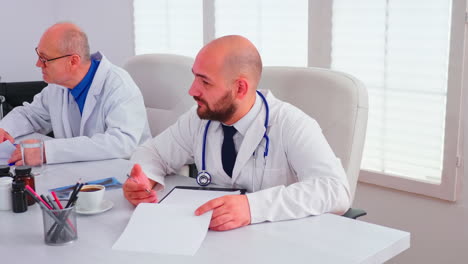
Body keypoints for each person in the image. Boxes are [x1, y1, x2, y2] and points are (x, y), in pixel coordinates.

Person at [123, 35, 351, 231]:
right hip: (214, 239)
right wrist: (144, 180)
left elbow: (335, 190)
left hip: (277, 243)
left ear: (240, 88)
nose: (192, 90)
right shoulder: (199, 118)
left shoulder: (291, 124)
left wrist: (253, 207)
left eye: (205, 82)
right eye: (194, 77)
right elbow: (152, 152)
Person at [0, 22, 151, 164]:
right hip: (79, 172)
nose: (38, 64)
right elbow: (30, 115)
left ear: (73, 61)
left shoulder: (118, 85)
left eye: (44, 59)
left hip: (126, 174)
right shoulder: (59, 85)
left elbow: (121, 144)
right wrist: (4, 129)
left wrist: (47, 152)